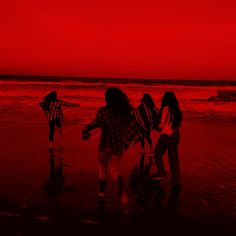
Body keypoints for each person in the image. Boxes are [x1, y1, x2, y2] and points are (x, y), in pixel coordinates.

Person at [82, 87, 139, 208]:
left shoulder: (103, 112)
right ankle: (123, 190)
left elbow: (94, 123)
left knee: (102, 168)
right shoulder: (127, 111)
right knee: (114, 171)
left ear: (107, 99)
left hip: (104, 145)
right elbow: (134, 128)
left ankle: (102, 193)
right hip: (118, 146)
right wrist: (126, 141)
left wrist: (85, 130)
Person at [154, 91, 182, 187]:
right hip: (176, 134)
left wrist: (156, 126)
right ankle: (176, 181)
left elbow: (161, 125)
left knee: (157, 153)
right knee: (174, 158)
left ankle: (161, 173)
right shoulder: (176, 110)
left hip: (167, 135)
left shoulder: (166, 109)